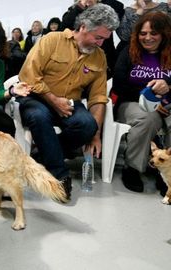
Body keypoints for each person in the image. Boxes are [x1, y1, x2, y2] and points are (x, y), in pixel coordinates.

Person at [17, 4, 120, 200]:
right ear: (83, 27)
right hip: (38, 97)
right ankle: (60, 175)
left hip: (71, 103)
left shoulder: (99, 57)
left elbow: (98, 97)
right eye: (98, 37)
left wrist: (95, 134)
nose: (100, 43)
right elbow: (28, 75)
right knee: (38, 116)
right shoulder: (51, 40)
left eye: (105, 39)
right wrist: (54, 100)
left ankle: (37, 159)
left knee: (88, 125)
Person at [112, 11, 171, 195]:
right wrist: (151, 94)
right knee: (148, 118)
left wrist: (168, 85)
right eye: (143, 33)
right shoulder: (128, 51)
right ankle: (133, 168)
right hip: (130, 104)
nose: (147, 38)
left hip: (168, 104)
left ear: (164, 34)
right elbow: (119, 85)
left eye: (154, 33)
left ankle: (167, 171)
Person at [62, 0, 124, 78]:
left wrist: (97, 6)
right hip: (78, 55)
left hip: (104, 57)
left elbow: (119, 9)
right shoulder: (74, 9)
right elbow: (65, 25)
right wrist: (81, 5)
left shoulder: (110, 5)